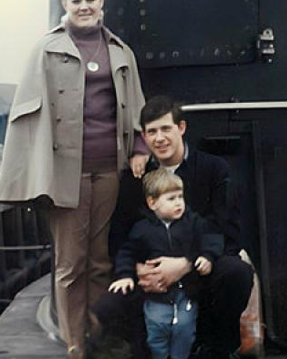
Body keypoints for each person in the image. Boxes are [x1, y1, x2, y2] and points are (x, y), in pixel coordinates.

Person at [0, 0, 149, 358]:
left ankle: (97, 336)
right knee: (69, 263)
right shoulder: (47, 49)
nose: (84, 6)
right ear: (65, 3)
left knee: (99, 260)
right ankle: (74, 343)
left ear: (102, 2)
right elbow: (28, 116)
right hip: (66, 173)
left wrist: (140, 149)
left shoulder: (119, 51)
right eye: (75, 0)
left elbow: (136, 109)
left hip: (107, 170)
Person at [93, 96, 254, 358]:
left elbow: (228, 231)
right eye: (152, 132)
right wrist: (138, 269)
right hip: (154, 272)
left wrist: (185, 263)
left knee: (236, 273)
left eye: (166, 129)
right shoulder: (136, 180)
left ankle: (215, 350)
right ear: (144, 137)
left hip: (201, 266)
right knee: (110, 304)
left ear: (181, 127)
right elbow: (120, 235)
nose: (159, 138)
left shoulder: (214, 170)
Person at [109, 169, 223, 359]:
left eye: (180, 196)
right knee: (156, 331)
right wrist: (125, 275)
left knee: (185, 329)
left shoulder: (193, 222)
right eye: (171, 198)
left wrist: (207, 256)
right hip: (156, 296)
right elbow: (127, 253)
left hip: (185, 292)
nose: (179, 202)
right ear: (152, 202)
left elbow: (211, 238)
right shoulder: (142, 229)